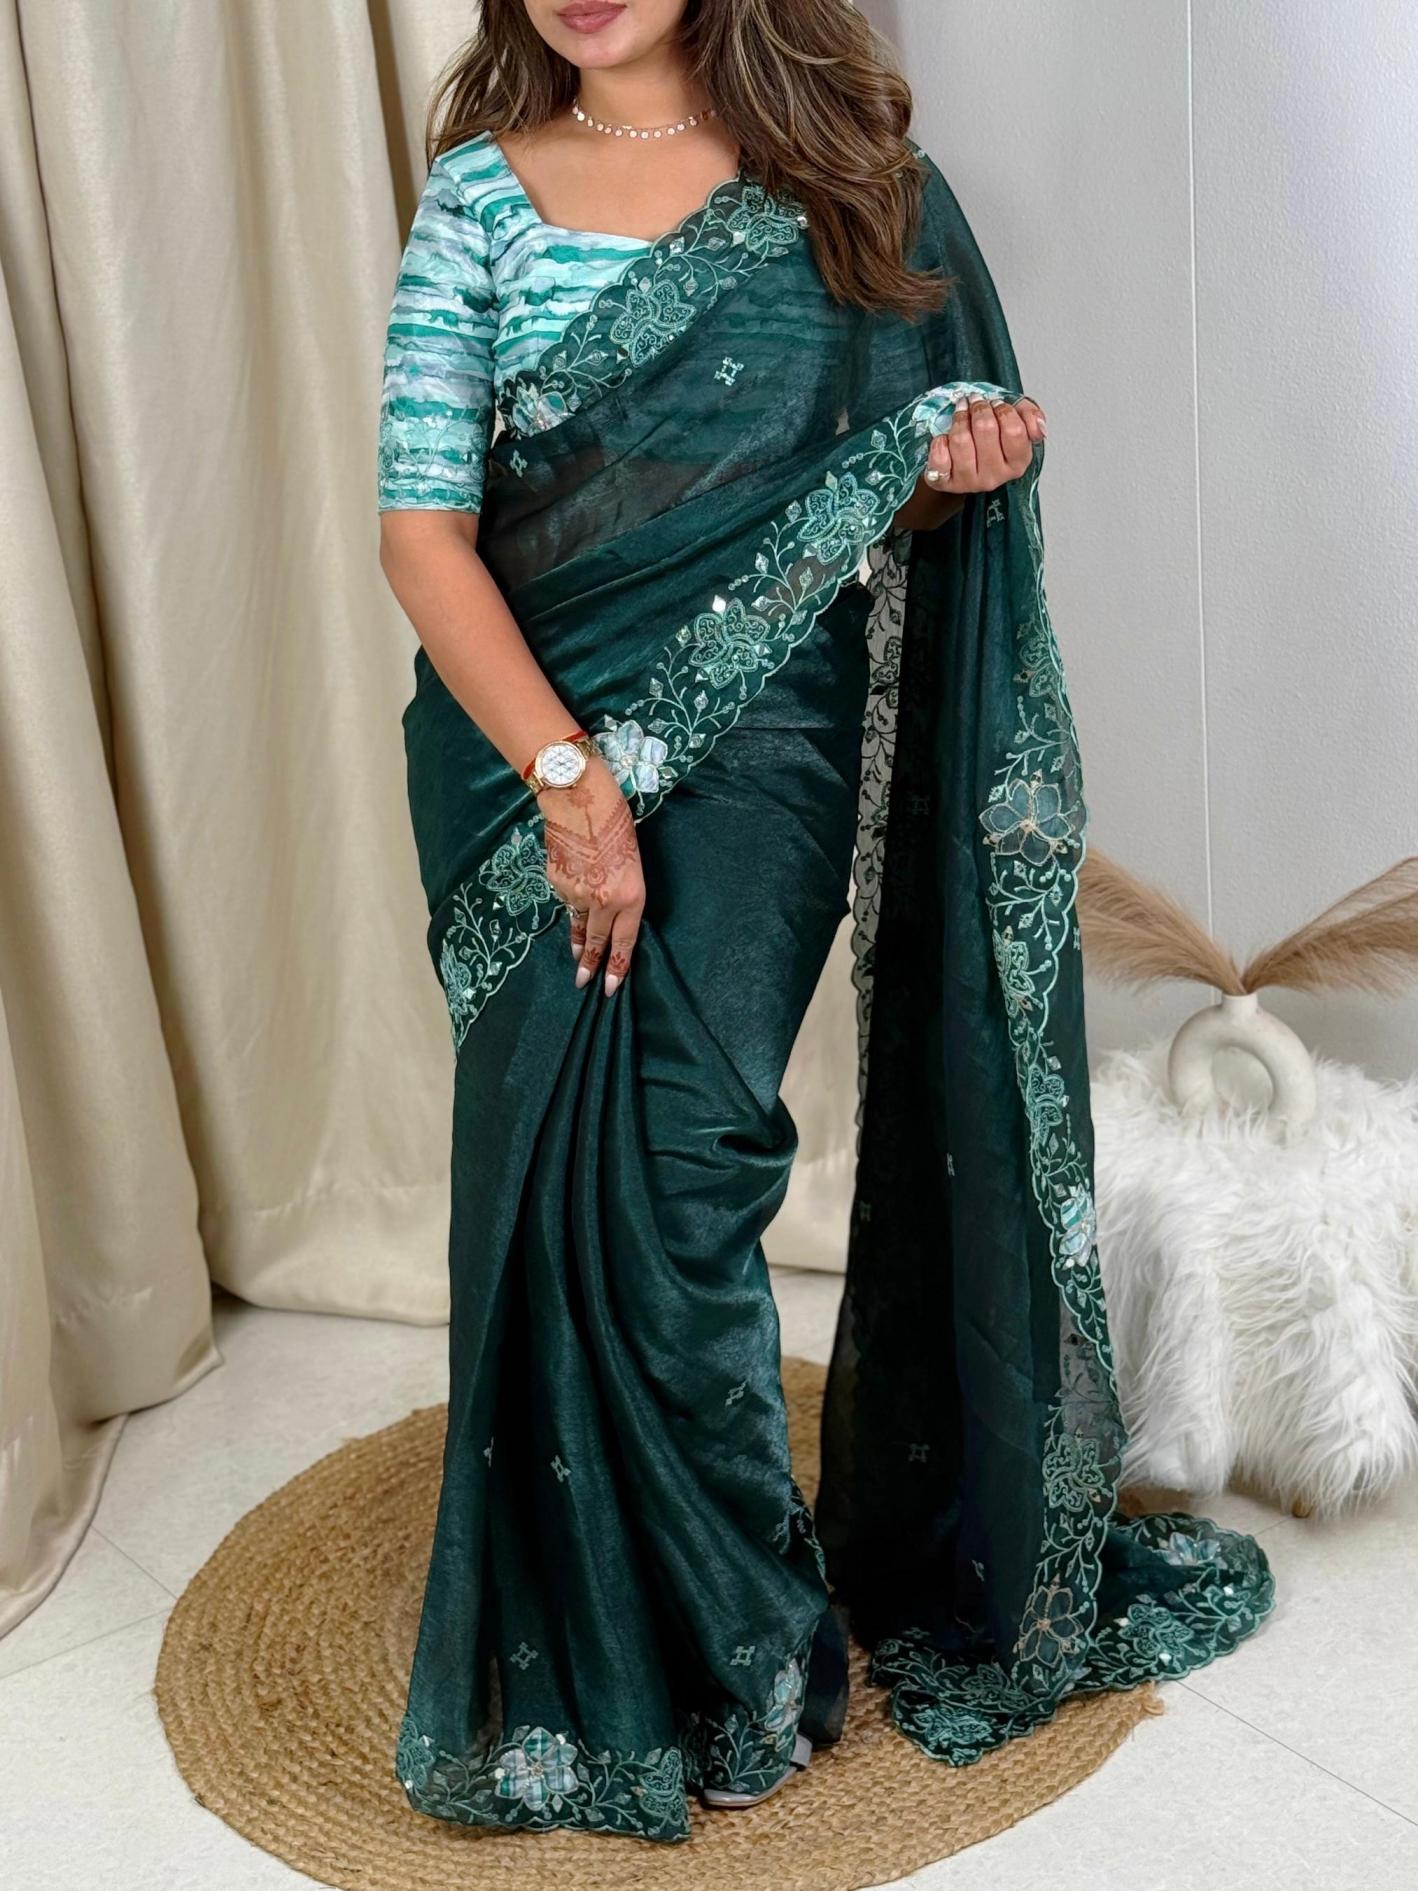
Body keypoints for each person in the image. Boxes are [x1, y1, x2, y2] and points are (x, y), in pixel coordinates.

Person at [376, 0, 1274, 1845]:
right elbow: (422, 531)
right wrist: (569, 783)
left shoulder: (859, 192)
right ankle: (632, 1633)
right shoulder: (476, 198)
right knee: (536, 1184)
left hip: (762, 750)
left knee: (684, 1172)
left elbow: (862, 494)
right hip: (520, 760)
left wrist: (951, 471)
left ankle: (731, 1637)